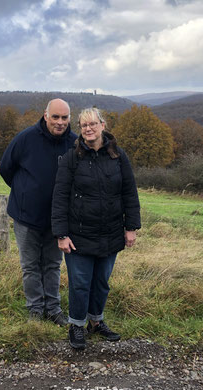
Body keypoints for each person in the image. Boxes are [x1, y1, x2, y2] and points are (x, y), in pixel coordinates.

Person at [51, 107, 141, 349]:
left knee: (101, 281)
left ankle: (96, 322)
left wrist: (131, 227)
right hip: (78, 234)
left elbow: (129, 193)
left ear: (103, 125)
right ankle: (77, 326)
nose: (88, 129)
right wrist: (61, 234)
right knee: (80, 282)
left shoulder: (118, 156)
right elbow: (59, 196)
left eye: (92, 124)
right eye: (83, 126)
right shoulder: (72, 157)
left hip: (110, 233)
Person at [0, 99, 77, 326]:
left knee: (53, 265)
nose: (60, 122)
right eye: (55, 117)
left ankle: (53, 309)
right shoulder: (25, 139)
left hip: (58, 220)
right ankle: (35, 308)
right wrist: (25, 192)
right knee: (30, 265)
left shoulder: (75, 143)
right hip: (26, 217)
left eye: (64, 118)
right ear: (45, 115)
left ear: (70, 119)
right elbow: (6, 168)